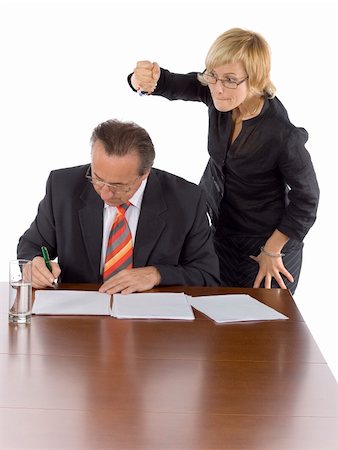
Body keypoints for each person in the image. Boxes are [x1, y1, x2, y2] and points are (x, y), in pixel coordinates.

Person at [128, 27, 320, 294]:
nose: (218, 88)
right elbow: (170, 83)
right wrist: (142, 80)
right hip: (220, 235)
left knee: (262, 330)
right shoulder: (220, 92)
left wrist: (273, 250)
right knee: (216, 323)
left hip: (266, 248)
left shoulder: (282, 135)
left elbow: (307, 199)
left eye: (230, 79)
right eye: (213, 76)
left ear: (255, 79)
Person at [17, 119, 220, 294]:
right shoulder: (63, 186)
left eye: (118, 186)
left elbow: (207, 275)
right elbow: (31, 245)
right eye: (97, 178)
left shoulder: (186, 199)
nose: (105, 193)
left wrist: (157, 274)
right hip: (79, 319)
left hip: (151, 323)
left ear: (145, 173)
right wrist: (33, 265)